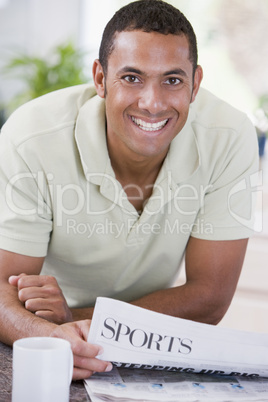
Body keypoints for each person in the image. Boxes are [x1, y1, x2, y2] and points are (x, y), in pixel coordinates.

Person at [0, 0, 259, 380]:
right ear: (101, 79)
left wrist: (78, 321)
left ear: (195, 83)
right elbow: (3, 291)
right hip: (45, 337)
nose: (152, 103)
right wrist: (51, 336)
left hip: (143, 342)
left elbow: (209, 298)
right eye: (131, 78)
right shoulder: (32, 137)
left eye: (172, 80)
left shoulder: (229, 137)